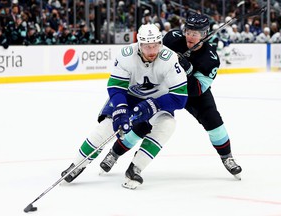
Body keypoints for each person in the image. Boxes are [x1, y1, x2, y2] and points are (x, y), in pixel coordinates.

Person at [61, 23, 188, 189]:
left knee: (168, 125)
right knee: (107, 127)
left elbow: (180, 98)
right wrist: (121, 107)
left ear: (160, 43)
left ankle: (136, 168)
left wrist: (153, 105)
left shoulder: (169, 59)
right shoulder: (126, 55)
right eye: (147, 47)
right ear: (139, 45)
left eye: (156, 46)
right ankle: (77, 164)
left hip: (158, 102)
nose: (152, 51)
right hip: (130, 97)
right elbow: (115, 86)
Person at [162, 13, 242, 180]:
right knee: (144, 118)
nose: (190, 36)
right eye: (188, 31)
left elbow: (197, 89)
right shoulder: (172, 38)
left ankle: (227, 157)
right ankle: (115, 153)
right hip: (166, 87)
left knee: (214, 120)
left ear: (204, 35)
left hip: (193, 94)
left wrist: (188, 70)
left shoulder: (210, 58)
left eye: (195, 33)